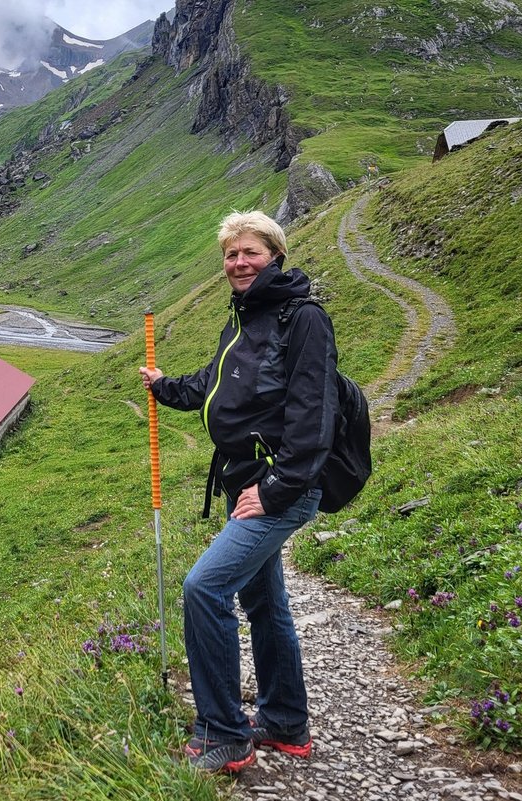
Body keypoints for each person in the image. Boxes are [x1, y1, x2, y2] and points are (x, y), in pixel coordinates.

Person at [139, 210, 339, 774]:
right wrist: (163, 387)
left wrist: (275, 492)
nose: (239, 263)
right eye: (231, 255)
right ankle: (283, 721)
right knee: (263, 600)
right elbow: (214, 384)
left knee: (204, 587)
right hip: (242, 480)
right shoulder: (245, 319)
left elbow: (313, 417)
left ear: (275, 254)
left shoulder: (303, 320)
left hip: (276, 486)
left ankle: (225, 734)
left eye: (250, 252)